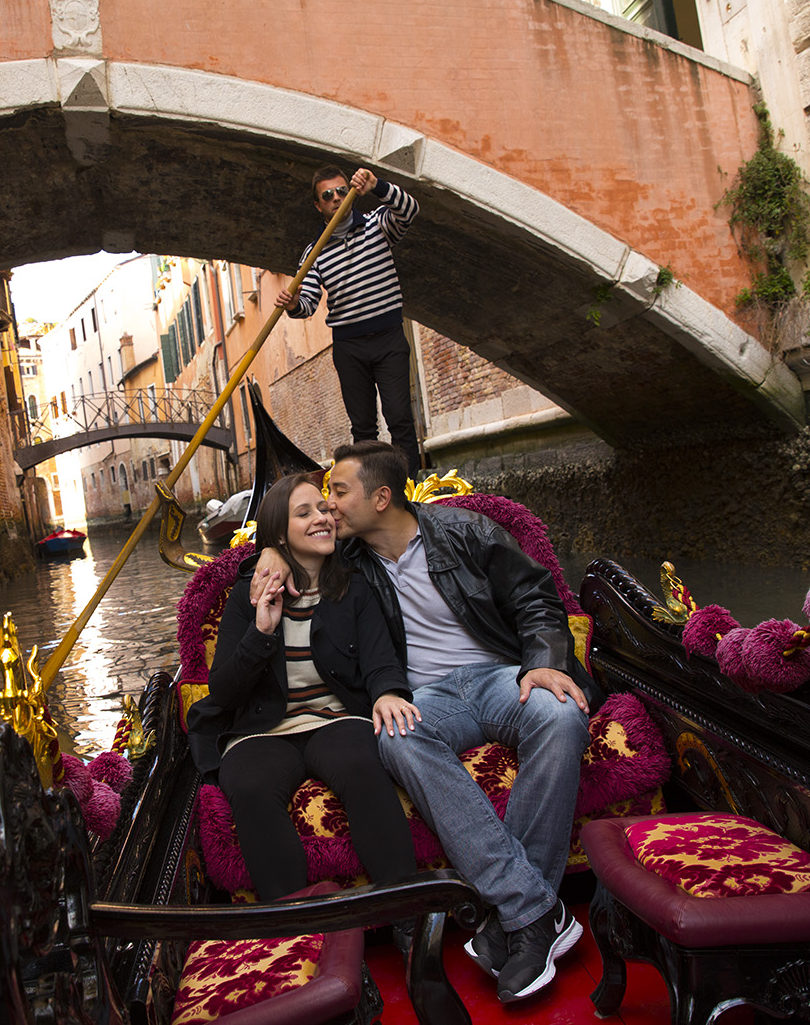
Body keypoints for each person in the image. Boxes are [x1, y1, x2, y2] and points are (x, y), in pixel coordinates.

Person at [252, 441, 605, 1002]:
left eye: (339, 492)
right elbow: (291, 549)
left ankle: (518, 914)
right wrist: (268, 552)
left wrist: (541, 665)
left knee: (559, 716)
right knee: (394, 736)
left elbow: (537, 598)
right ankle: (536, 912)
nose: (328, 508)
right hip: (426, 697)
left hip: (500, 677)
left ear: (382, 497)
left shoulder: (468, 532)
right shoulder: (350, 560)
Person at [186, 472, 422, 903]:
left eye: (323, 508)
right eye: (304, 513)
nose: (322, 517)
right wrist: (261, 632)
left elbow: (380, 662)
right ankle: (296, 926)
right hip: (262, 729)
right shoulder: (247, 595)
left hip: (335, 718)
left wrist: (389, 692)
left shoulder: (354, 587)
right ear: (279, 533)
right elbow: (222, 691)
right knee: (251, 785)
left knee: (363, 766)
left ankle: (406, 912)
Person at [276, 166, 421, 474]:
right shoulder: (313, 254)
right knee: (363, 429)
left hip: (388, 337)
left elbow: (409, 210)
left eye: (342, 191)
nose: (336, 198)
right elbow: (308, 305)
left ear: (351, 193)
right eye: (328, 195)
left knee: (400, 418)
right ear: (319, 205)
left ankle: (410, 493)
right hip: (349, 347)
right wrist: (291, 304)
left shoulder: (377, 225)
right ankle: (370, 496)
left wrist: (377, 185)